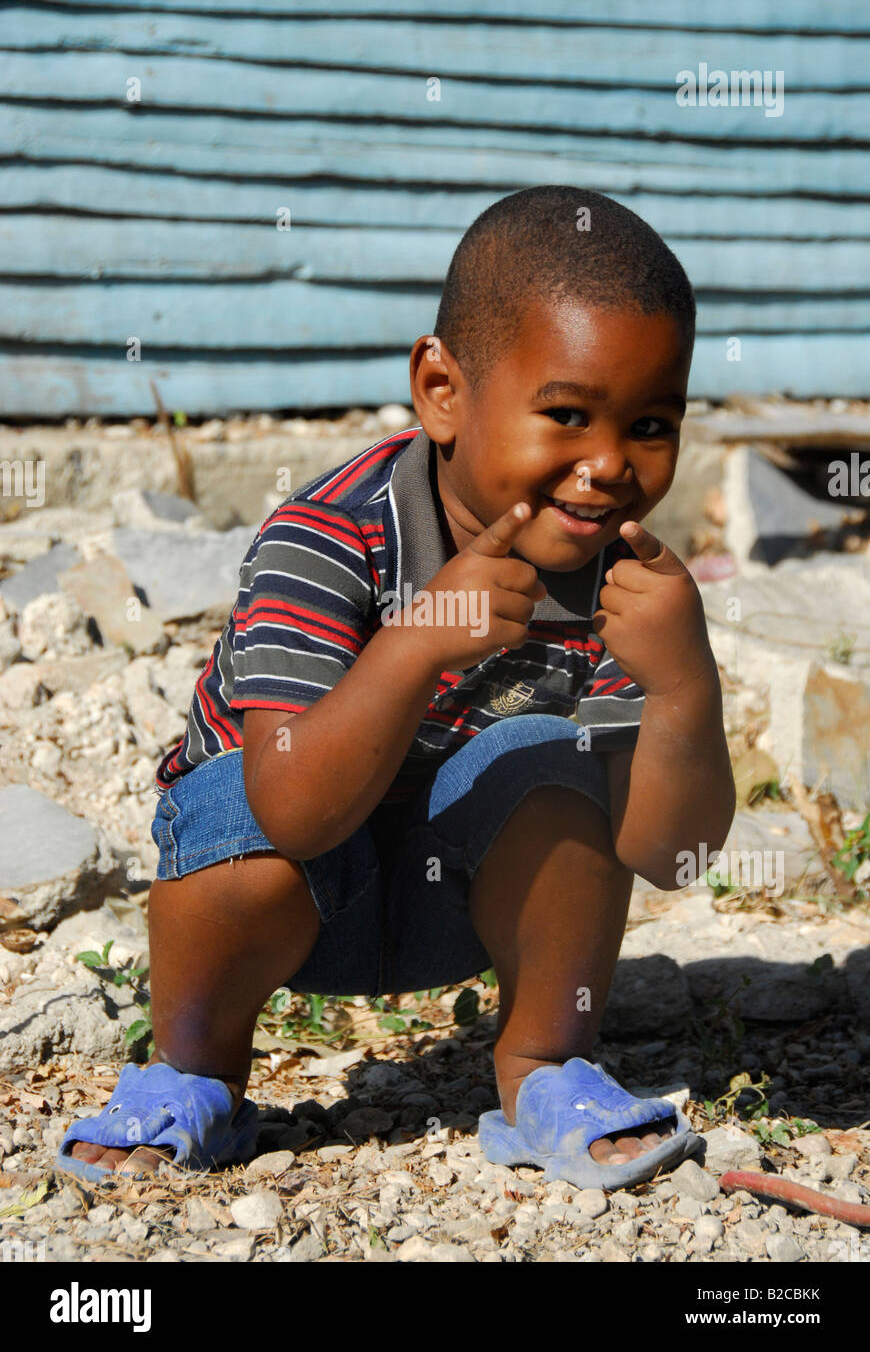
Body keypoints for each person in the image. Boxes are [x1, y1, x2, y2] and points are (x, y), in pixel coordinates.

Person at [57, 186, 735, 1192]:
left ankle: (544, 1068)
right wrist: (419, 642)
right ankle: (192, 1074)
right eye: (565, 414)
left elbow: (668, 855)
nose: (606, 467)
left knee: (554, 763)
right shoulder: (326, 537)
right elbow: (287, 804)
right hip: (284, 895)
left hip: (462, 902)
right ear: (441, 391)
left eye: (648, 423)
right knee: (230, 794)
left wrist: (685, 686)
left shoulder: (622, 586)